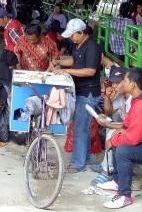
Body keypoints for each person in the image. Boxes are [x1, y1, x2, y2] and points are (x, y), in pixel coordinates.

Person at [50, 18, 103, 173]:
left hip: (88, 93)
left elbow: (90, 71)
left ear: (81, 32)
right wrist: (59, 61)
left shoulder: (93, 47)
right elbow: (74, 59)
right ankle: (83, 159)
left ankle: (78, 163)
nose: (71, 38)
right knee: (81, 127)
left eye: (73, 35)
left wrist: (66, 71)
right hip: (78, 90)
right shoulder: (77, 44)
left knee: (80, 128)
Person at [97, 68, 142, 209]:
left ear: (132, 84)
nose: (122, 83)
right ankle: (116, 181)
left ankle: (124, 196)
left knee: (123, 150)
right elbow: (127, 125)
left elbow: (134, 138)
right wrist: (116, 136)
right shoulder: (138, 98)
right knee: (118, 138)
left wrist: (114, 140)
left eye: (125, 80)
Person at [90, 64, 131, 186]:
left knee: (112, 133)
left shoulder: (133, 99)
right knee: (110, 131)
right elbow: (108, 111)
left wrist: (109, 125)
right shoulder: (122, 96)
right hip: (129, 127)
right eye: (113, 83)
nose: (114, 86)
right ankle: (107, 164)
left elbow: (130, 127)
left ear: (128, 82)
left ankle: (106, 172)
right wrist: (107, 97)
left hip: (137, 131)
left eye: (118, 83)